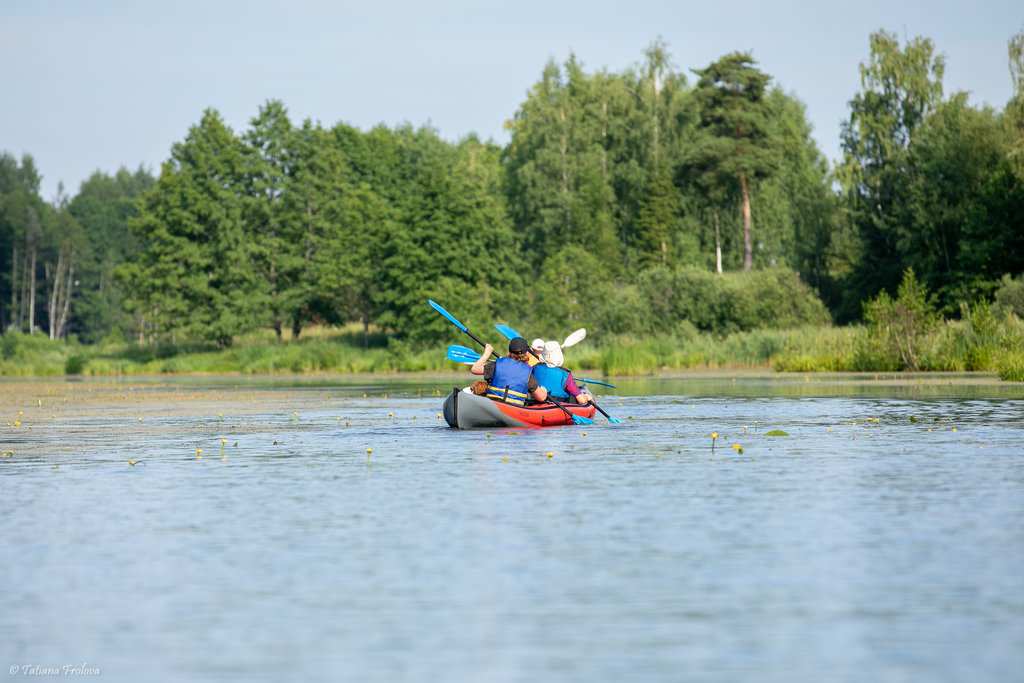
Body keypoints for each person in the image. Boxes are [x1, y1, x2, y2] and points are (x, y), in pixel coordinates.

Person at [470, 336, 548, 405]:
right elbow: (541, 398)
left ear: (510, 350)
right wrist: (543, 390)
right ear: (526, 353)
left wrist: (487, 353)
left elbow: (474, 369)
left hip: (493, 405)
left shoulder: (497, 364)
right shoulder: (527, 371)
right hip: (514, 410)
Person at [532, 340, 592, 405]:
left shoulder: (534, 368)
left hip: (534, 404)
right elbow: (581, 400)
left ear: (543, 354)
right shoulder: (565, 374)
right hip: (556, 407)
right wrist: (587, 397)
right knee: (572, 398)